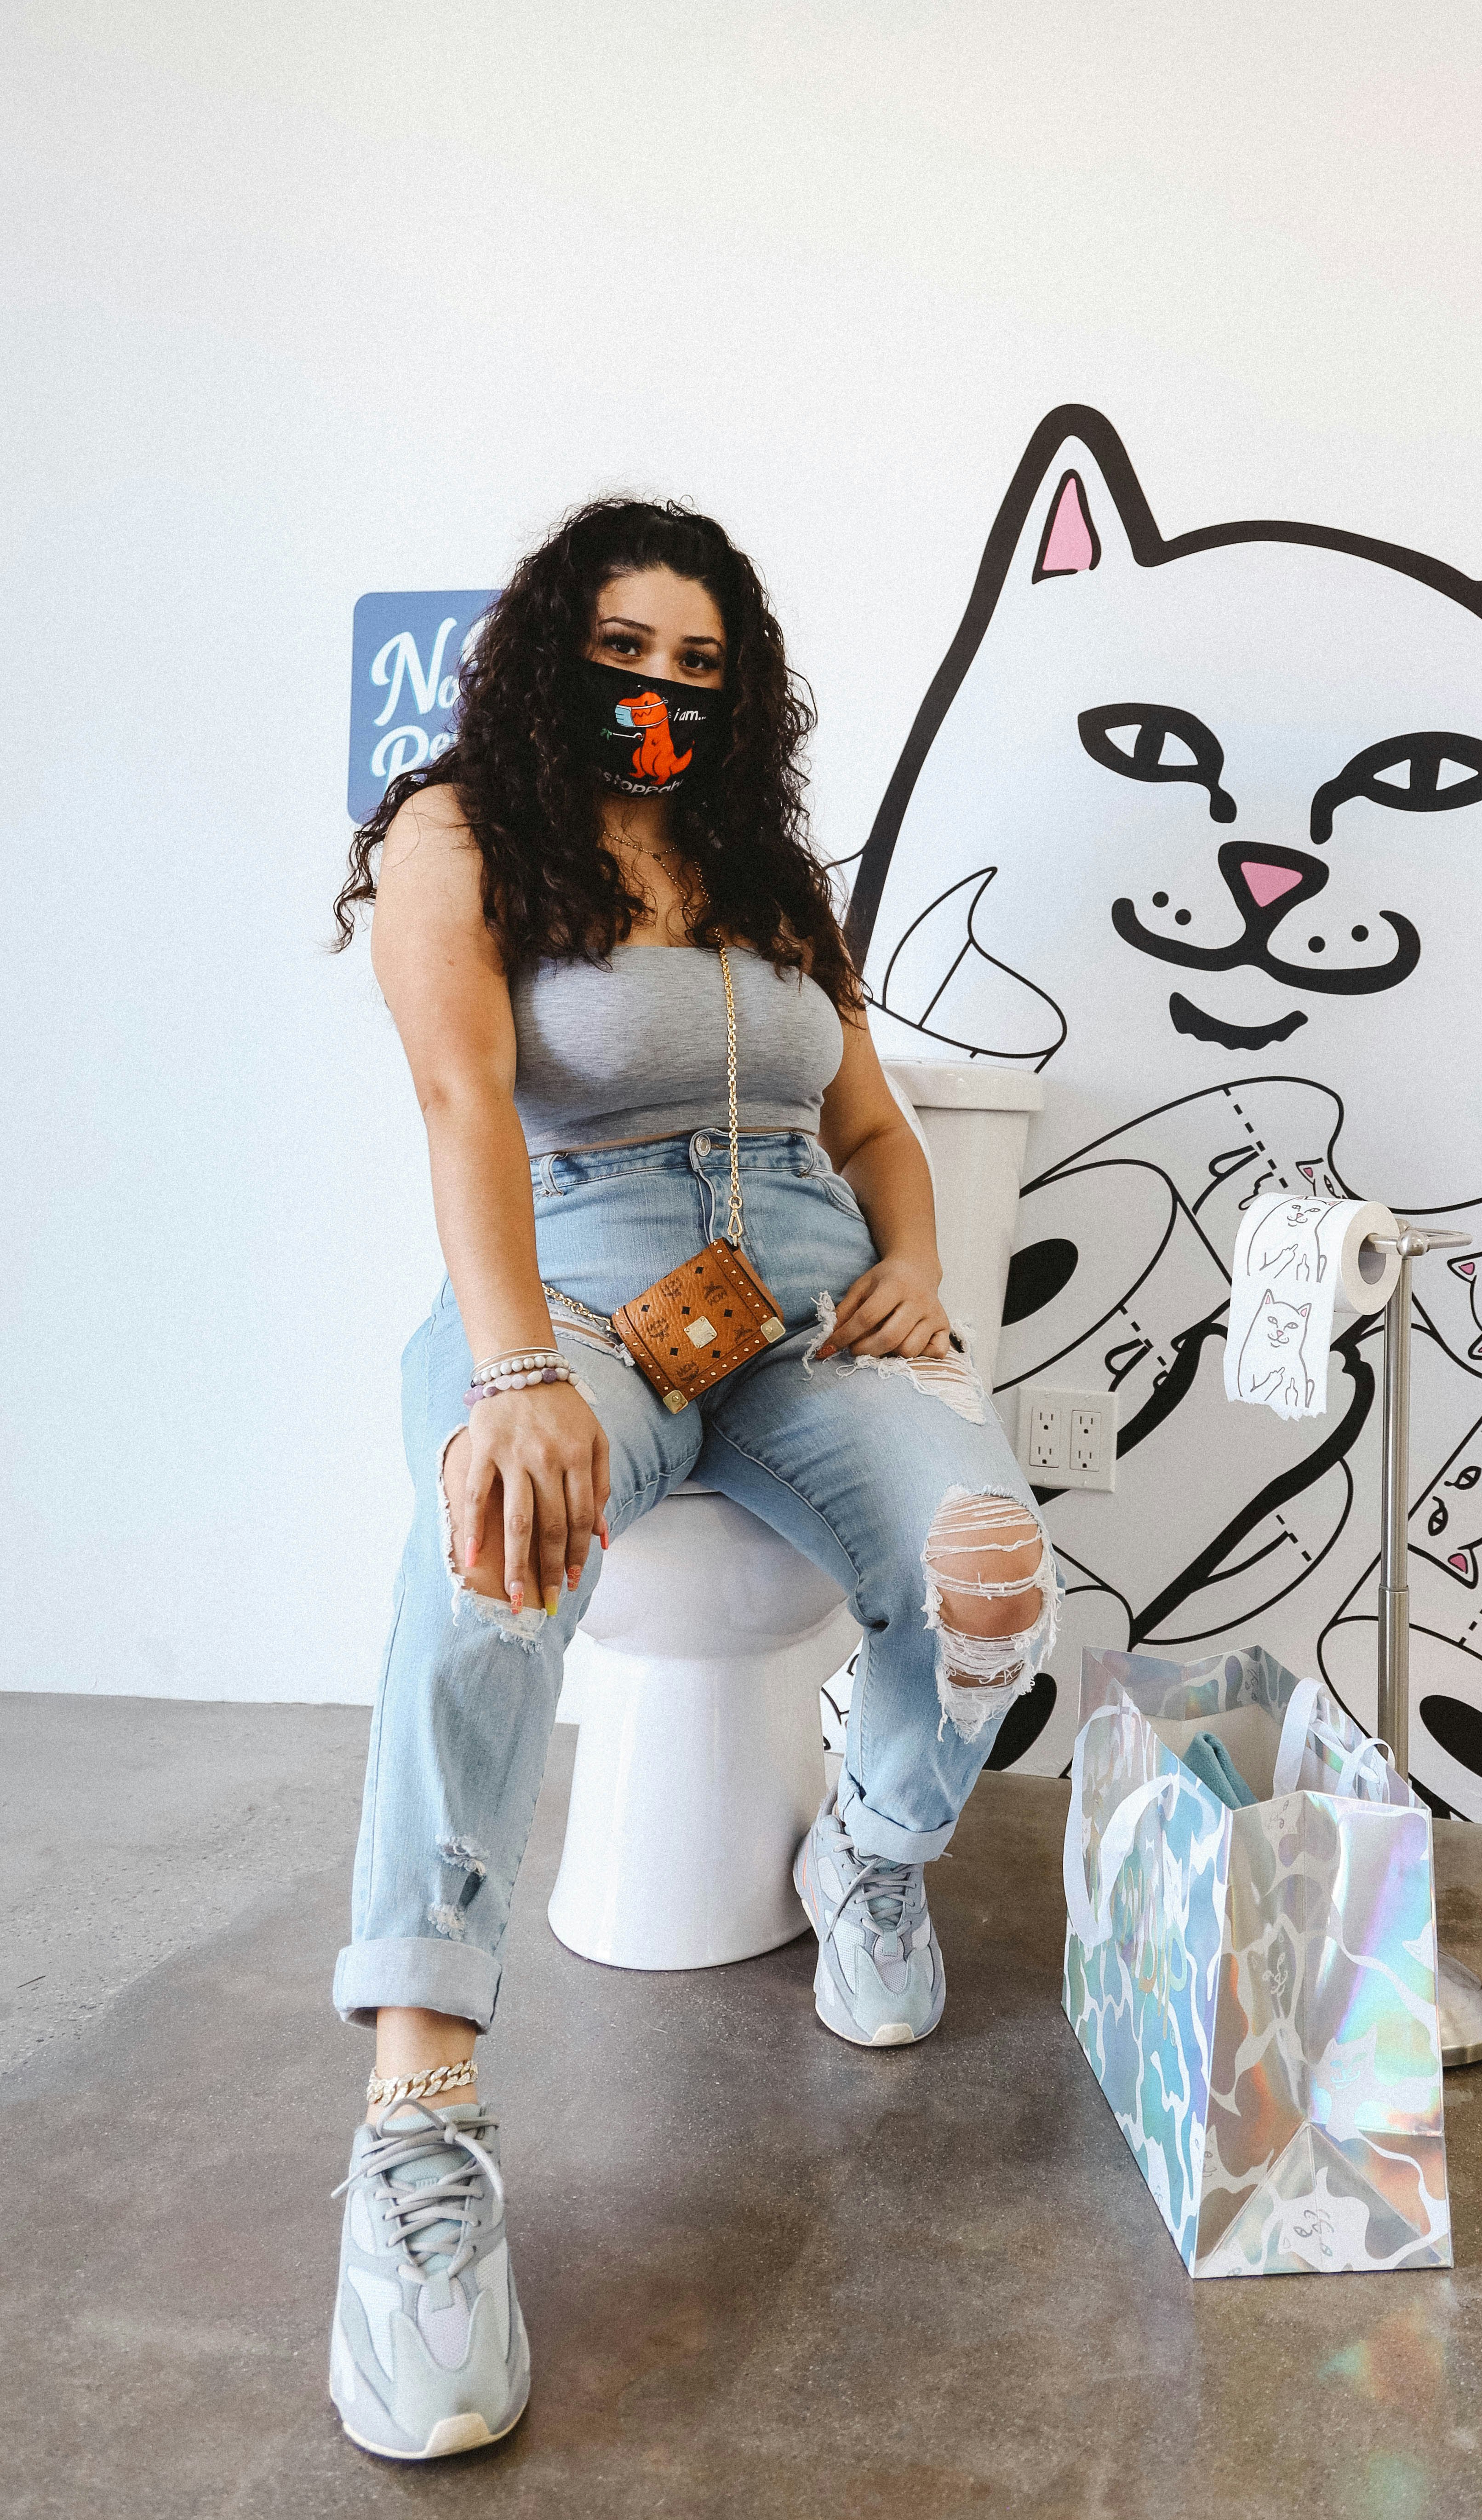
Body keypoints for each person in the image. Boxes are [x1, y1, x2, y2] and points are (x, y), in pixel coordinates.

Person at [324, 500, 1059, 2461]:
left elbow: (880, 1123)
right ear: (558, 648)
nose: (661, 694)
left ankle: (874, 1846)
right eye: (627, 652)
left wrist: (913, 1259)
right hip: (577, 1274)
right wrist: (510, 1374)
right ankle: (417, 2123)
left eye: (703, 669)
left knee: (990, 1568)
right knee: (496, 1538)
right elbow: (463, 1095)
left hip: (803, 1288)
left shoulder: (765, 870)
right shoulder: (460, 831)